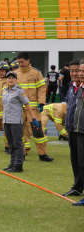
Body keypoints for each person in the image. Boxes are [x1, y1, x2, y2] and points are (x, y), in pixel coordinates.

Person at [15, 52, 53, 162]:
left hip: (33, 109)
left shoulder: (36, 73)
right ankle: (21, 153)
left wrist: (41, 103)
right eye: (19, 62)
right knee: (20, 132)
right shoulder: (15, 73)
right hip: (19, 109)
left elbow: (41, 88)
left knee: (38, 131)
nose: (20, 64)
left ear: (28, 61)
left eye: (22, 62)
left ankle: (42, 154)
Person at [2, 72, 38, 172]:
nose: (11, 80)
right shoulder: (4, 91)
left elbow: (27, 104)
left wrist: (33, 118)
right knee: (11, 143)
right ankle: (13, 163)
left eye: (13, 78)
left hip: (15, 121)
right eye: (8, 78)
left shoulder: (19, 91)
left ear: (16, 80)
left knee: (17, 143)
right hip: (6, 121)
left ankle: (18, 165)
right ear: (6, 80)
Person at [62, 59, 82, 197]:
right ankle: (77, 187)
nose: (75, 74)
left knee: (82, 162)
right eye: (73, 71)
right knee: (75, 161)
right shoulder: (71, 87)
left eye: (79, 71)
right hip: (72, 129)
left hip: (82, 130)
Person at [70, 59, 84, 206]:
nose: (79, 74)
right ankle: (79, 188)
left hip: (81, 130)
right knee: (79, 163)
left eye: (82, 71)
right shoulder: (78, 88)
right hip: (77, 129)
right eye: (79, 70)